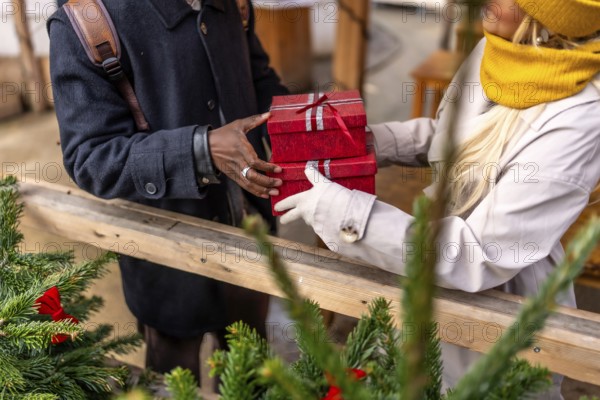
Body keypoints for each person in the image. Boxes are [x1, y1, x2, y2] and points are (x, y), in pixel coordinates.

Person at [275, 0, 600, 397]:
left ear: (550, 16)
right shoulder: (498, 49)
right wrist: (375, 143)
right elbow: (455, 134)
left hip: (499, 317)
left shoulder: (583, 115)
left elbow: (478, 253)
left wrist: (344, 212)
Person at [48, 0, 287, 383]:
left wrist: (307, 125)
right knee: (174, 379)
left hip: (250, 235)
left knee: (255, 373)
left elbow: (259, 80)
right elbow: (91, 159)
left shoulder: (233, 5)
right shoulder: (88, 21)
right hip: (168, 263)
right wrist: (200, 150)